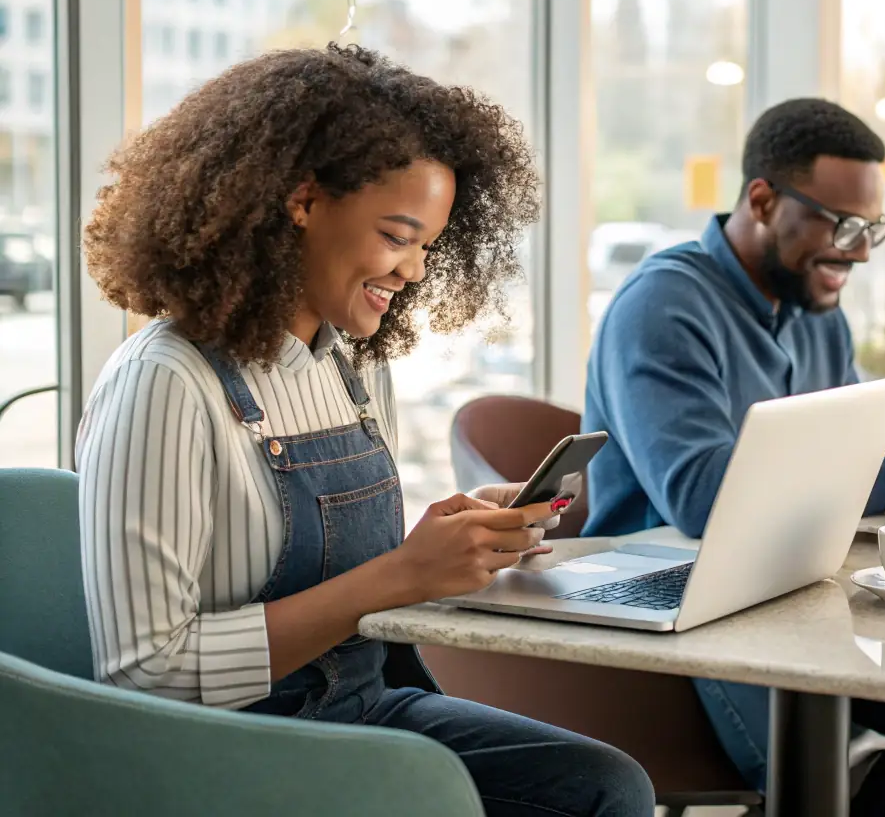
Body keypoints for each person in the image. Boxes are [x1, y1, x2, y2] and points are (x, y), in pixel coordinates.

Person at [78, 45, 655, 817]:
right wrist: (401, 575)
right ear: (302, 201)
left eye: (427, 246)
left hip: (356, 711)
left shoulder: (349, 368)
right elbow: (146, 673)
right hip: (219, 755)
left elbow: (341, 577)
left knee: (605, 786)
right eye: (396, 235)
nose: (413, 271)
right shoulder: (166, 382)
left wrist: (447, 540)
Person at [581, 98, 885, 817]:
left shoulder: (813, 314)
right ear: (762, 200)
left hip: (792, 598)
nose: (859, 251)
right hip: (677, 619)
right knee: (812, 768)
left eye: (871, 228)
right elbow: (704, 503)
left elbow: (841, 463)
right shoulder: (663, 305)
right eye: (840, 224)